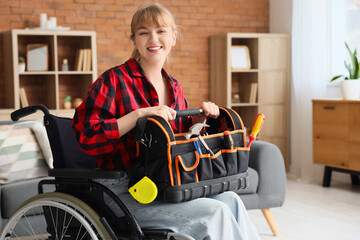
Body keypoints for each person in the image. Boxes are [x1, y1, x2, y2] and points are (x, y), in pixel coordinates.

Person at [72, 3, 260, 240]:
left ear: (173, 37)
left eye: (161, 31)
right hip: (121, 191)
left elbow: (179, 142)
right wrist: (138, 114)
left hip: (164, 186)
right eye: (143, 32)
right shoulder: (113, 81)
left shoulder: (174, 86)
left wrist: (201, 120)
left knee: (230, 200)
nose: (153, 38)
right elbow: (88, 137)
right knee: (216, 213)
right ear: (135, 40)